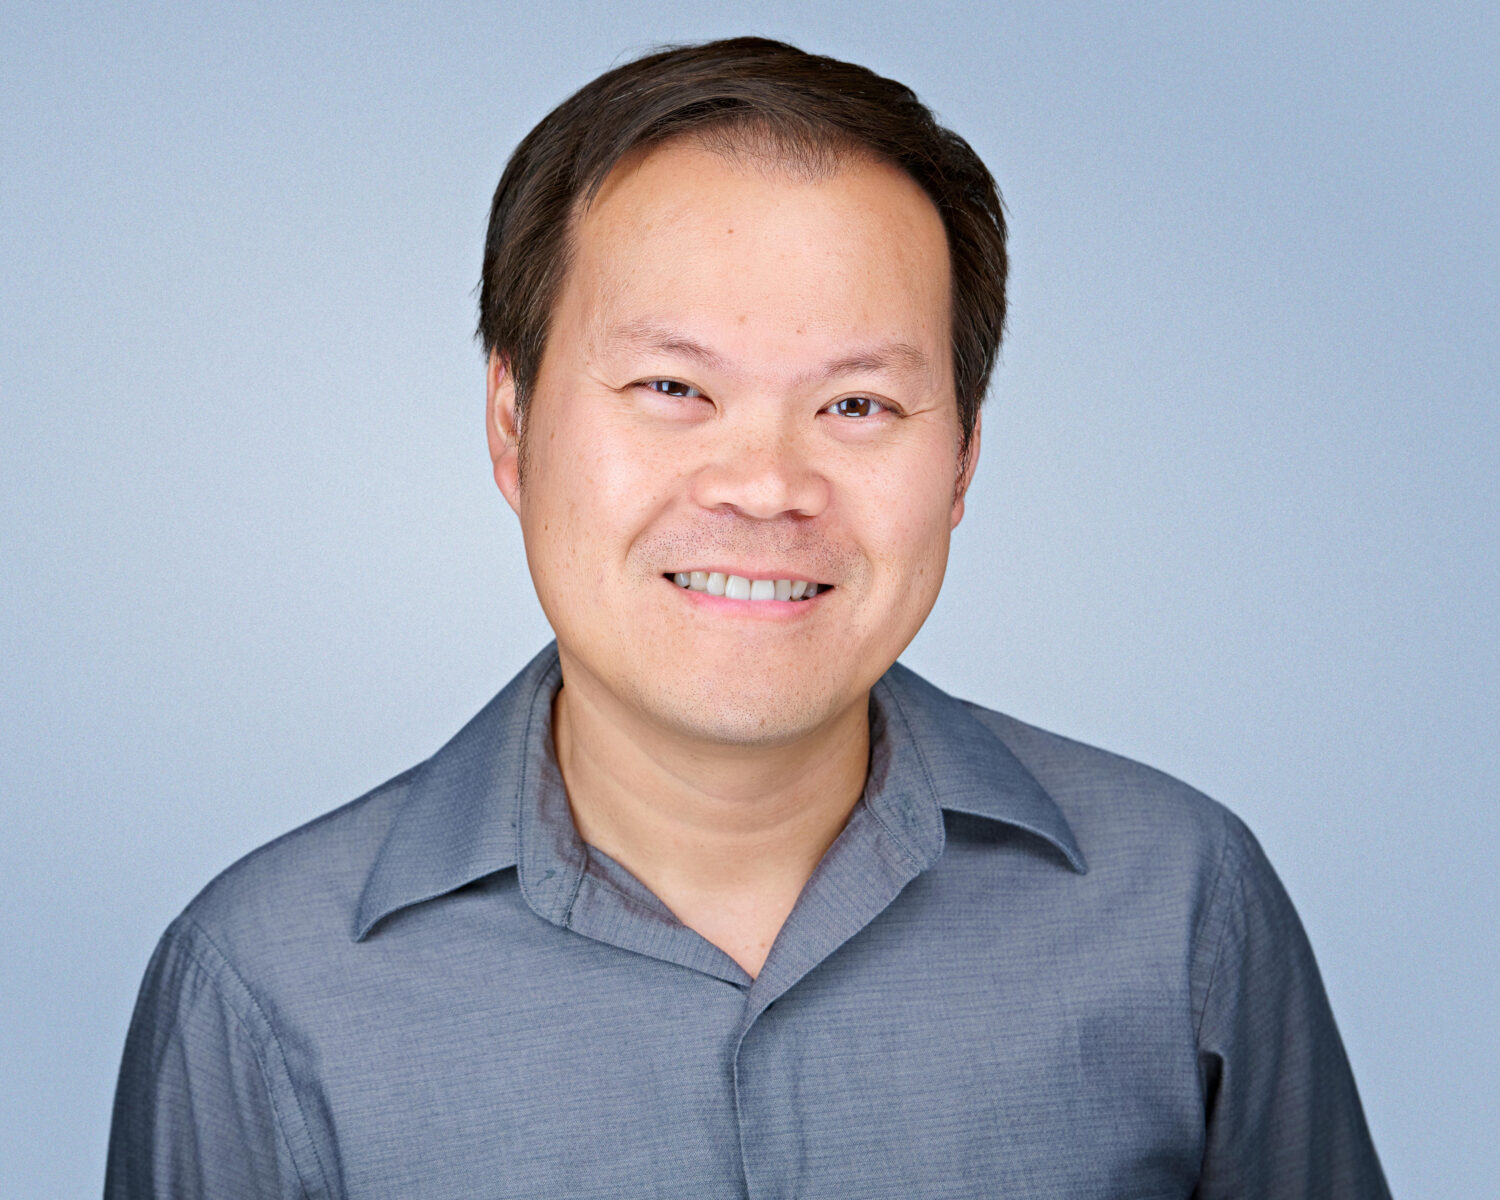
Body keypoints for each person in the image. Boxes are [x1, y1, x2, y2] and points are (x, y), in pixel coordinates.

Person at [106, 37, 1388, 1198]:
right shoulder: (262, 983)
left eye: (859, 407)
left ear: (963, 461)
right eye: (672, 385)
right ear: (512, 426)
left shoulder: (1179, 901)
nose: (767, 487)